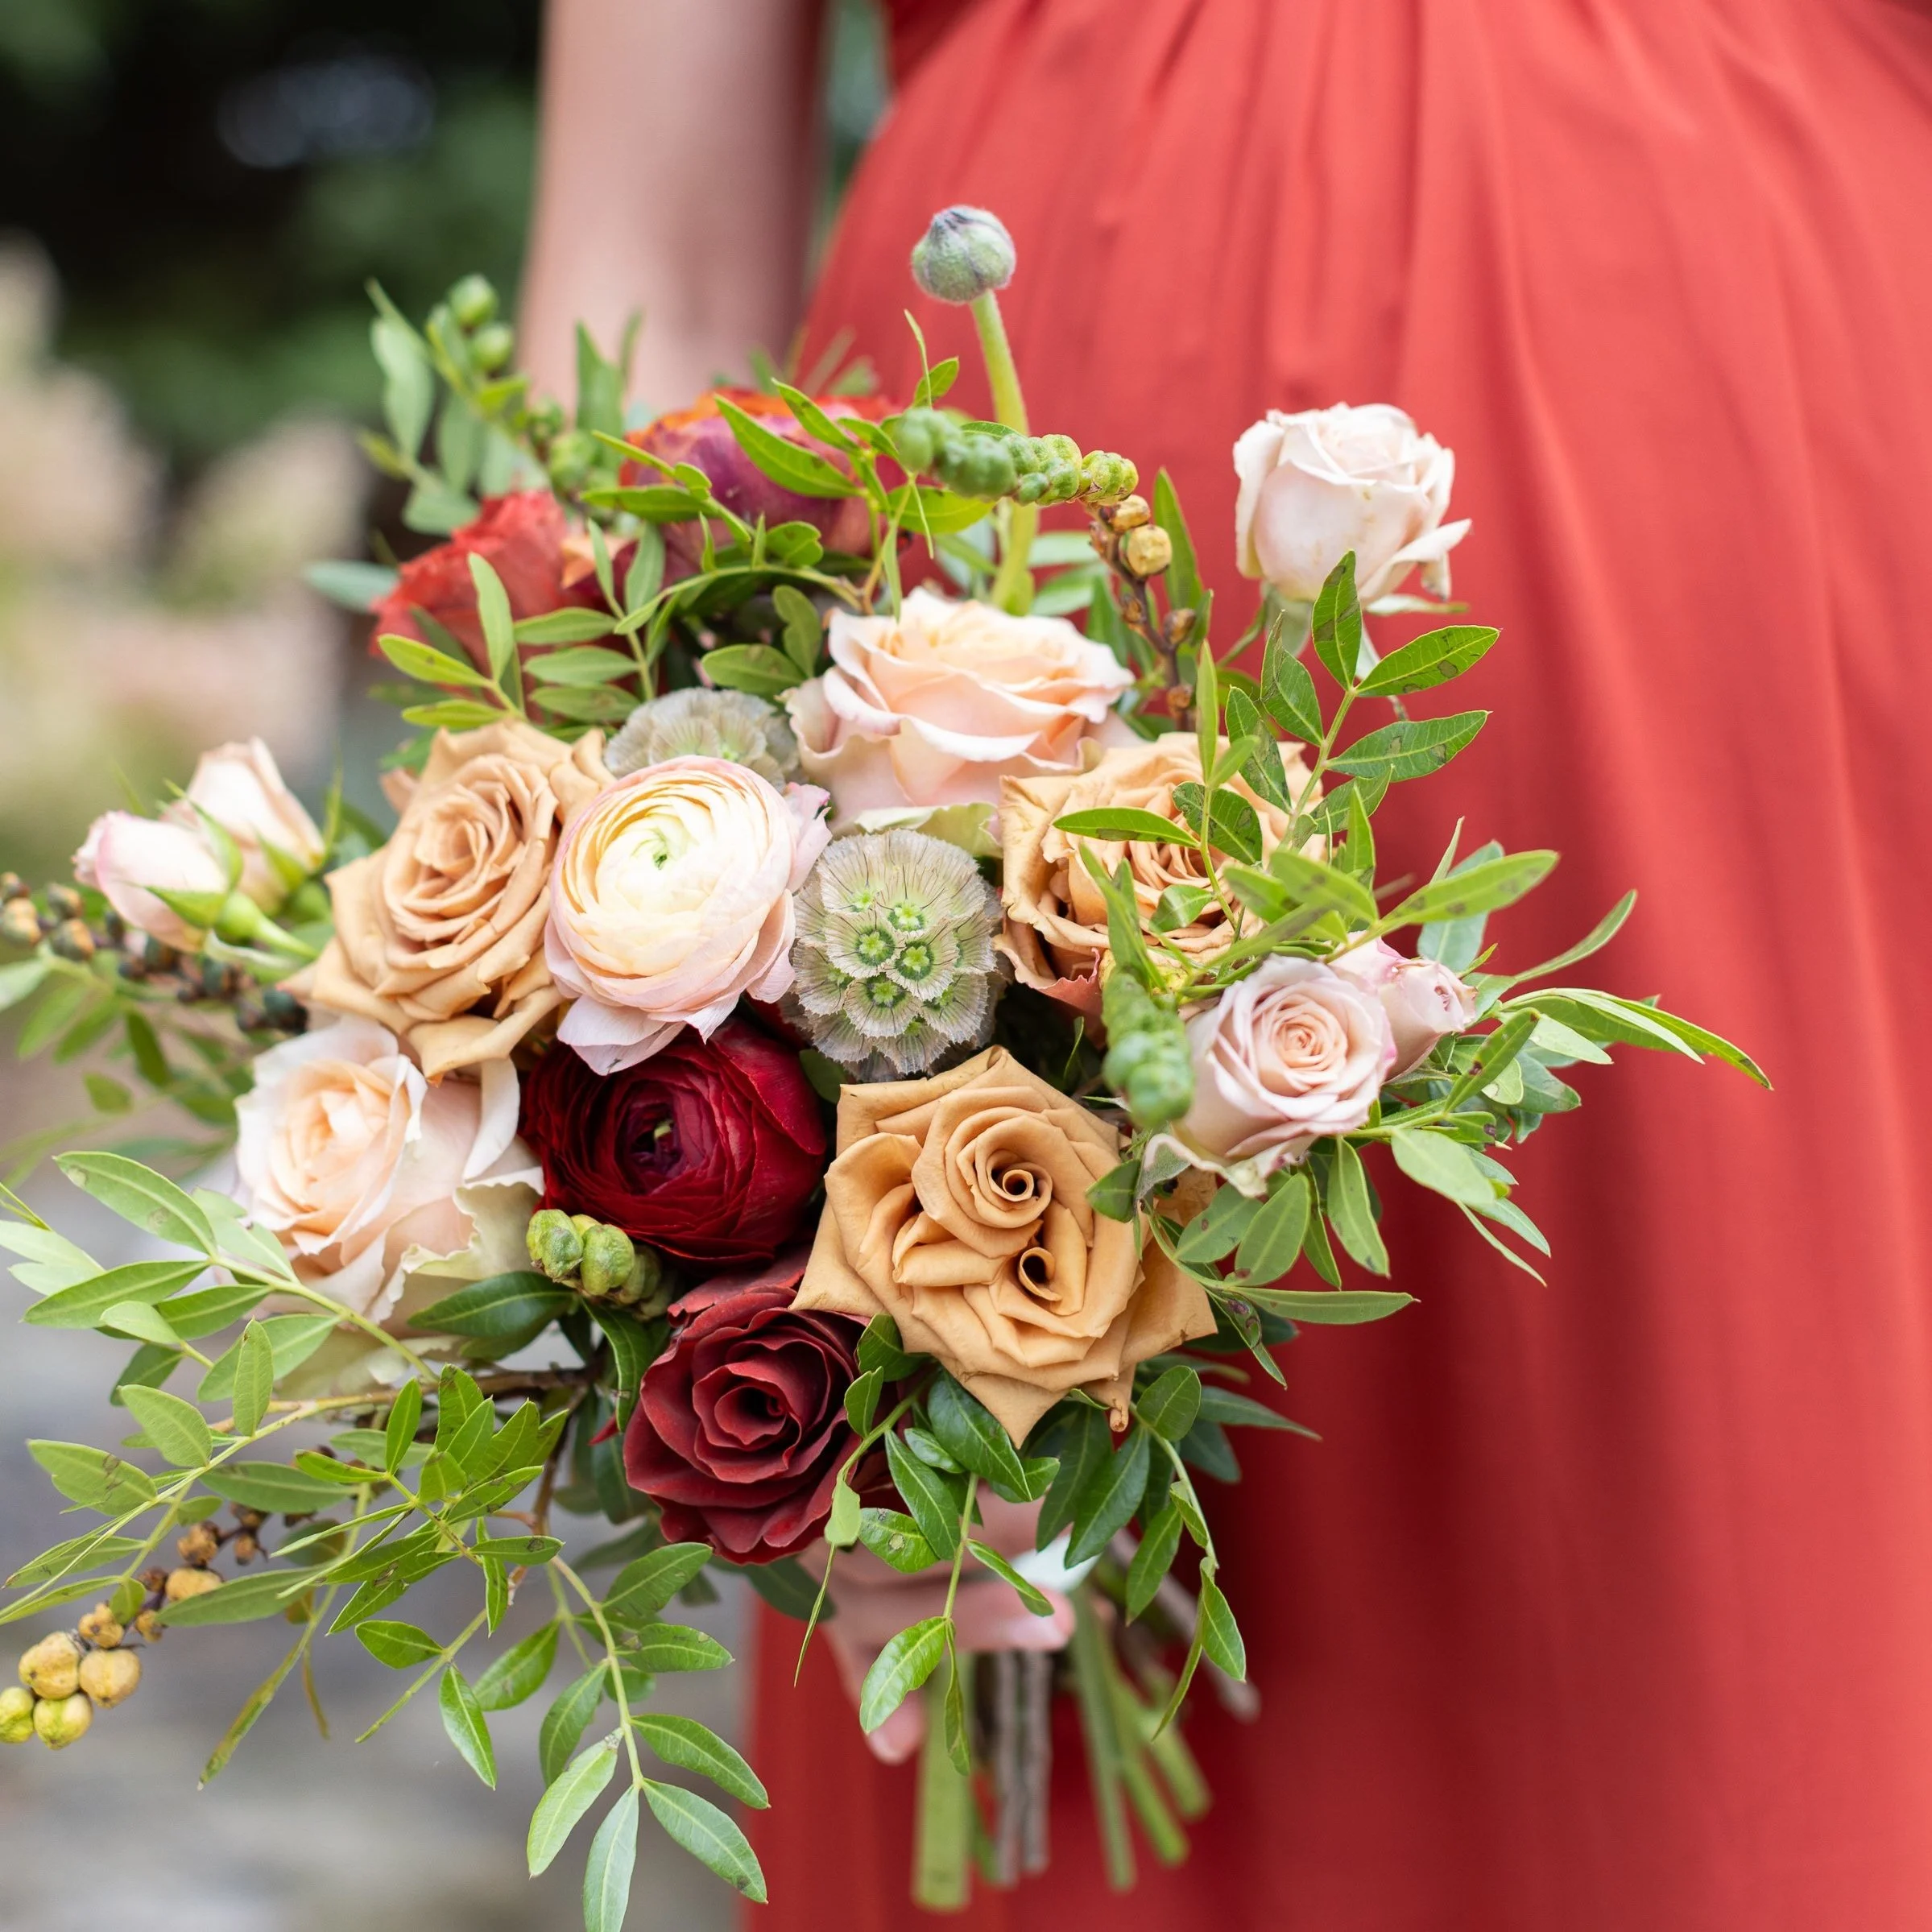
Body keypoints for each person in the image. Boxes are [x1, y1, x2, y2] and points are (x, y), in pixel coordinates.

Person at [520, 2, 1932, 1926]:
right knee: (1033, 1710)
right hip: (992, 629)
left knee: (1734, 1642)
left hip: (1781, 620)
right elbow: (653, 270)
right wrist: (647, 1002)